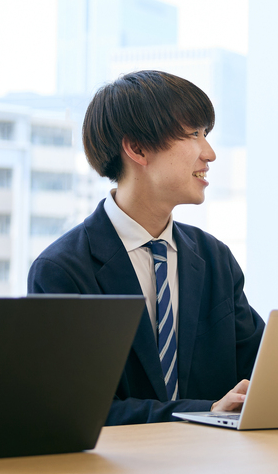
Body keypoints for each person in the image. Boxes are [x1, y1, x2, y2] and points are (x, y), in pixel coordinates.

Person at [28, 70, 264, 424]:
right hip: (114, 473)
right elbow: (75, 409)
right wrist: (206, 412)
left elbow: (262, 371)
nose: (210, 153)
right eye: (194, 135)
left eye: (207, 135)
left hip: (215, 468)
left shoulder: (214, 258)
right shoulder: (62, 271)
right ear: (137, 148)